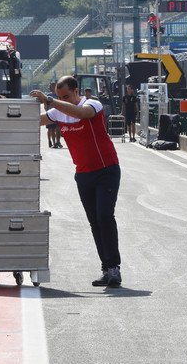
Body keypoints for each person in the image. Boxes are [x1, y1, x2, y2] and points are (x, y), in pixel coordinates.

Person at [30, 75, 122, 287]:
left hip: (106, 169)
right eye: (60, 96)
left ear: (76, 91)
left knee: (105, 216)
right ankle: (106, 268)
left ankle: (114, 267)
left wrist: (51, 100)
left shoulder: (92, 104)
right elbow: (31, 119)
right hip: (83, 174)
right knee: (95, 223)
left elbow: (80, 113)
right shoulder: (58, 111)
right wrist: (3, 105)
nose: (64, 100)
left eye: (67, 96)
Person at [45, 82, 63, 148]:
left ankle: (58, 141)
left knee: (58, 128)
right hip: (50, 114)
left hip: (57, 114)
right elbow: (46, 104)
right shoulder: (48, 95)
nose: (50, 88)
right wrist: (46, 111)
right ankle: (54, 143)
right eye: (50, 86)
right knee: (51, 129)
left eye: (51, 86)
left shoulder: (58, 95)